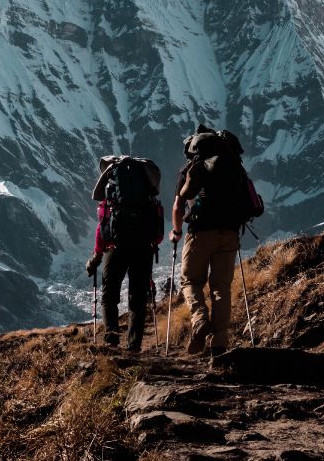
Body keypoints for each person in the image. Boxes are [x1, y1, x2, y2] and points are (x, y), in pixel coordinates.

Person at [169, 125, 253, 356]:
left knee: (191, 281)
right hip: (230, 232)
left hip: (200, 231)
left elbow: (178, 206)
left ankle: (199, 320)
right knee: (221, 288)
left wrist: (176, 232)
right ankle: (218, 344)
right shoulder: (234, 166)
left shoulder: (192, 168)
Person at [85, 155, 164, 351]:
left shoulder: (112, 198)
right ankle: (134, 345)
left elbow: (102, 228)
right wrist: (151, 243)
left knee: (109, 296)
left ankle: (111, 340)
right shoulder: (147, 197)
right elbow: (158, 228)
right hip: (143, 248)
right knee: (137, 298)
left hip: (116, 248)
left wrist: (96, 257)